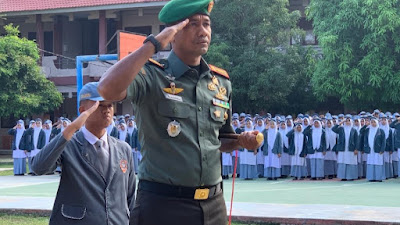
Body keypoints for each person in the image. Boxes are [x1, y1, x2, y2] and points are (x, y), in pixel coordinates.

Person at [97, 0, 261, 223]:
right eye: (193, 24)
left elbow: (221, 139)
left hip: (213, 206)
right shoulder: (151, 76)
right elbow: (106, 89)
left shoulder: (220, 83)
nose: (203, 31)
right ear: (172, 33)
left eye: (207, 24)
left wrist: (242, 141)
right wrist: (153, 44)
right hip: (164, 206)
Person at [31, 82, 136, 225]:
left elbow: (130, 198)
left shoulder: (123, 149)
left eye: (109, 105)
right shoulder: (68, 144)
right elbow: (38, 167)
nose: (106, 110)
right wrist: (72, 128)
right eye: (99, 105)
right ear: (82, 110)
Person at [333, 115, 359, 181]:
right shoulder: (341, 129)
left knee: (350, 162)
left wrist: (356, 149)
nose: (347, 122)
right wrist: (341, 122)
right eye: (346, 121)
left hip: (351, 149)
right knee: (343, 162)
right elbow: (333, 129)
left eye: (349, 121)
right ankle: (343, 176)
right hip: (342, 149)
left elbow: (357, 140)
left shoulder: (354, 130)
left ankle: (350, 176)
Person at [364, 117, 386, 182]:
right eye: (372, 122)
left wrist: (382, 149)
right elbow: (361, 132)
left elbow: (383, 141)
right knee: (371, 163)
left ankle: (378, 178)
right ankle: (371, 177)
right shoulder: (368, 130)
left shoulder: (380, 131)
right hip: (370, 150)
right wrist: (366, 125)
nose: (373, 124)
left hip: (378, 150)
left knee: (378, 163)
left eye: (374, 122)